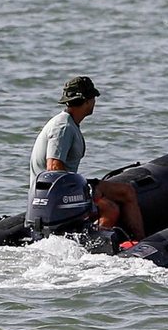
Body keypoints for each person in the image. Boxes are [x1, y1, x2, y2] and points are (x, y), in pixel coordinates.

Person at [29, 75, 145, 240]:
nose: (94, 102)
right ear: (86, 101)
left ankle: (140, 241)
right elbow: (53, 167)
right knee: (110, 209)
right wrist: (87, 194)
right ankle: (93, 245)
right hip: (55, 195)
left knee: (127, 192)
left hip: (67, 187)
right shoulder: (63, 127)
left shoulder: (69, 122)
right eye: (93, 98)